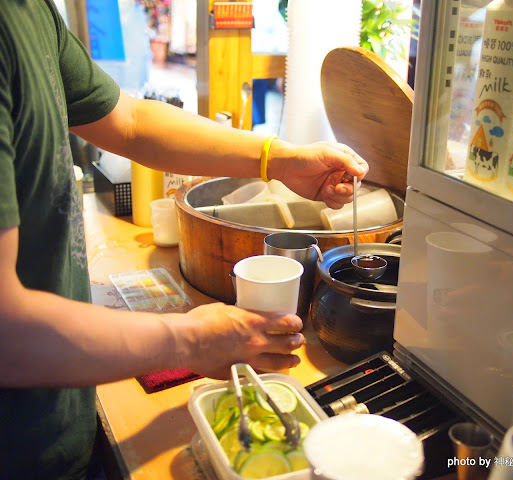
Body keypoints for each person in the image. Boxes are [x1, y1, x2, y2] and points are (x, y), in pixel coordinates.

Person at [0, 1, 368, 479]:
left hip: (64, 420)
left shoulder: (32, 12)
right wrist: (190, 341)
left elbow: (129, 121)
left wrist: (278, 160)